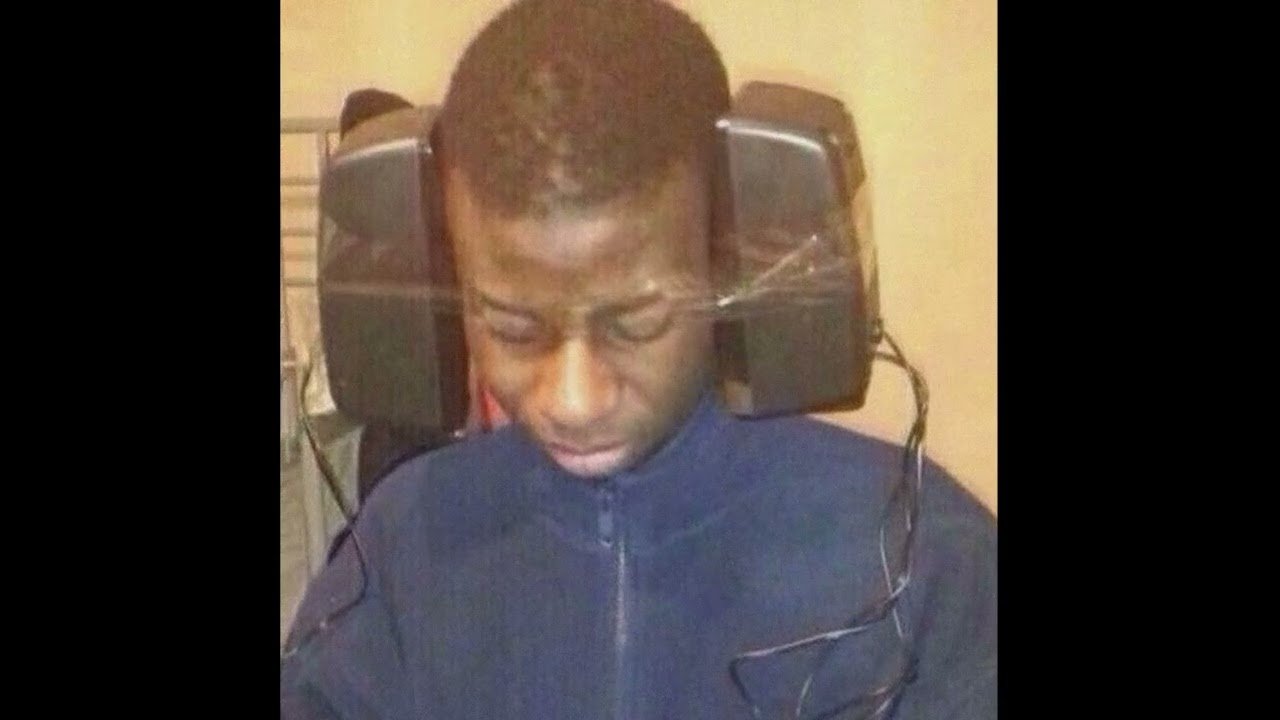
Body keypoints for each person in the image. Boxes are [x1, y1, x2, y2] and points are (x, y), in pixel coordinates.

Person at [280, 1, 996, 718]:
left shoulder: (923, 562)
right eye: (514, 329)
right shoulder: (402, 544)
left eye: (638, 324)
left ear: (729, 259)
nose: (573, 400)